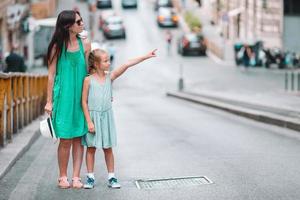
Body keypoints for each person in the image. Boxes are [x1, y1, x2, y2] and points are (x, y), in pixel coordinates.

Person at [81, 48, 157, 189]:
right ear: (96, 64)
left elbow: (127, 64)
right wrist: (89, 121)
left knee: (108, 148)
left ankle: (112, 177)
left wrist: (146, 56)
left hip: (106, 117)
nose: (109, 63)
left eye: (108, 60)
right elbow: (84, 102)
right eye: (105, 61)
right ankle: (90, 177)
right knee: (91, 148)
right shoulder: (88, 80)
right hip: (93, 118)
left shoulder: (110, 77)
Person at [44, 10, 91, 189]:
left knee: (79, 138)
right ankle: (62, 176)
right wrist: (49, 101)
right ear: (68, 26)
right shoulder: (57, 47)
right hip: (63, 97)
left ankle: (76, 176)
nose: (82, 24)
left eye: (81, 20)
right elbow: (51, 75)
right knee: (65, 139)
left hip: (81, 98)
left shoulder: (86, 45)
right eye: (78, 22)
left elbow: (89, 71)